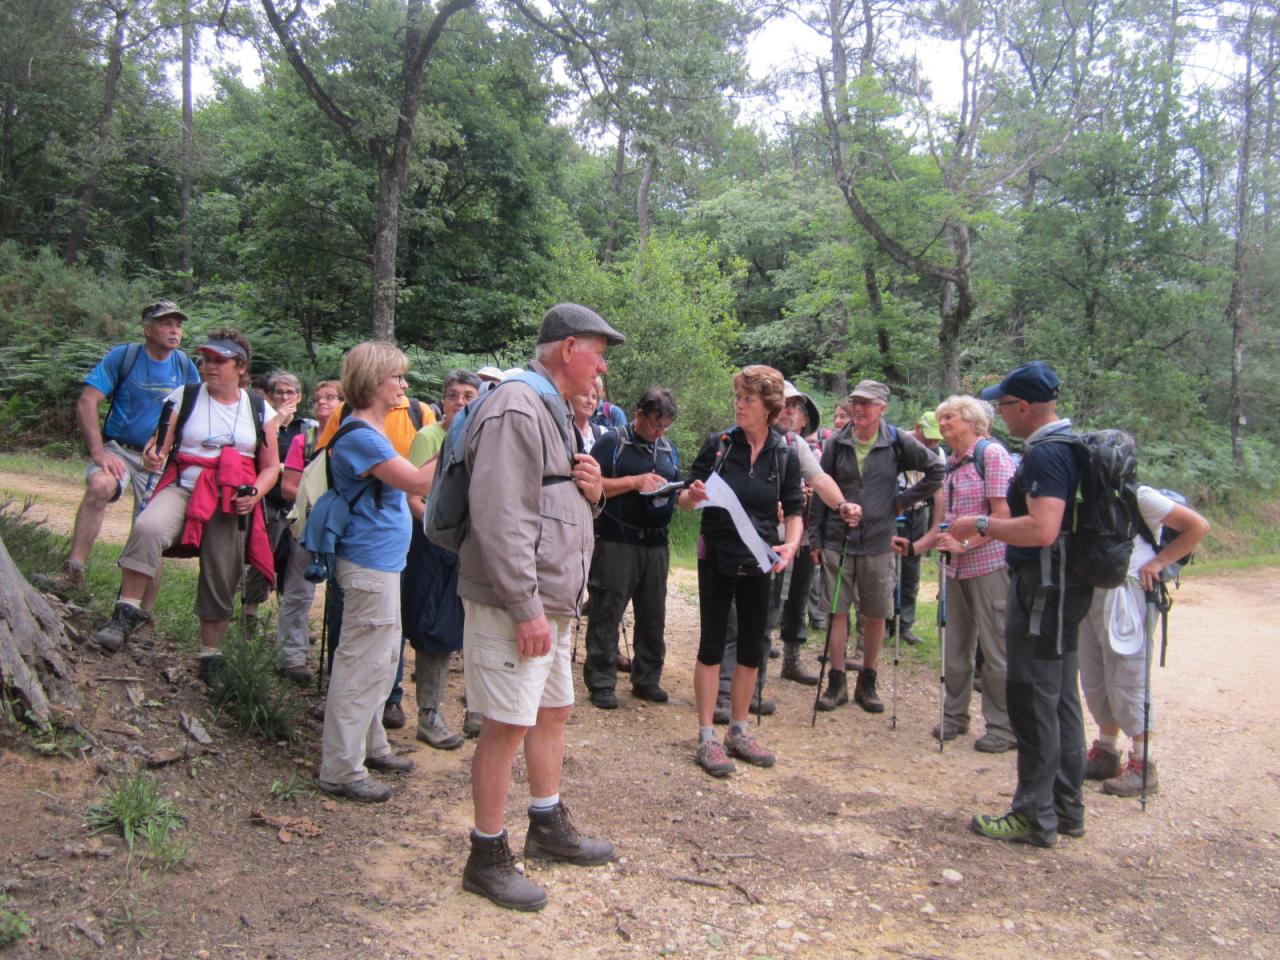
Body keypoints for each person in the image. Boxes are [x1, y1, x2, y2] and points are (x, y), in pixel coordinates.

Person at [458, 303, 621, 913]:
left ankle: (547, 823)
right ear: (568, 347)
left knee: (553, 710)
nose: (602, 365)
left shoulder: (554, 413)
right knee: (506, 725)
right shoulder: (517, 407)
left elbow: (552, 503)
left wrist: (593, 492)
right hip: (517, 601)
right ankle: (486, 853)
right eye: (598, 352)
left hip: (552, 596)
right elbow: (500, 515)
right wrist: (524, 606)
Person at [950, 360, 1093, 848]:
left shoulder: (1045, 455)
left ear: (1025, 407)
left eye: (1004, 405)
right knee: (1061, 700)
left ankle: (1034, 814)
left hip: (1042, 593)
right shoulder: (1068, 444)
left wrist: (982, 525)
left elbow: (1042, 528)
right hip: (1062, 592)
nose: (1001, 413)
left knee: (1033, 701)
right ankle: (1067, 808)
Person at [91, 329, 279, 689]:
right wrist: (152, 455)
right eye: (206, 359)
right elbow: (160, 443)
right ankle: (125, 613)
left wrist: (254, 493)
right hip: (184, 486)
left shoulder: (259, 409)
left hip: (230, 497)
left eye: (218, 360)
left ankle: (211, 656)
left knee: (222, 574)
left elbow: (270, 466)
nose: (209, 366)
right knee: (148, 527)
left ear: (240, 366)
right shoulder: (186, 396)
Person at [315, 342, 439, 802]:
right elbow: (417, 481)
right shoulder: (361, 436)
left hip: (382, 563)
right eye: (397, 378)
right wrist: (457, 438)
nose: (403, 386)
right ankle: (341, 769)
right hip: (368, 564)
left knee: (383, 659)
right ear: (373, 382)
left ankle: (372, 747)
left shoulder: (370, 429)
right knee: (361, 663)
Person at [679, 365, 813, 778]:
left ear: (769, 407)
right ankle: (706, 737)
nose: (739, 405)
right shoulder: (718, 445)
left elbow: (794, 511)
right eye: (737, 397)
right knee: (712, 646)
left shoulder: (784, 453)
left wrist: (790, 545)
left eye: (748, 399)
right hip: (716, 555)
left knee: (754, 648)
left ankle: (739, 731)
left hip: (760, 561)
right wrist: (692, 496)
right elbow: (684, 500)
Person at [37, 301, 201, 609]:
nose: (174, 330)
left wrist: (170, 452)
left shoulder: (184, 365)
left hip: (160, 459)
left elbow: (195, 413)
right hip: (120, 450)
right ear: (148, 328)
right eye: (166, 324)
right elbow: (88, 401)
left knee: (151, 530)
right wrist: (99, 452)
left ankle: (141, 612)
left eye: (178, 325)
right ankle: (74, 571)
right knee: (100, 486)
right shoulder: (125, 357)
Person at [812, 380, 943, 714]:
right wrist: (814, 537)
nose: (859, 408)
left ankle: (868, 681)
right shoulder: (837, 442)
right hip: (836, 538)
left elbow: (936, 470)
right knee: (836, 611)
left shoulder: (897, 440)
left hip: (878, 541)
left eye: (867, 404)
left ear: (882, 409)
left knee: (876, 613)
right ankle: (836, 680)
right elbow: (819, 486)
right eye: (856, 402)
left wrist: (901, 501)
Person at [895, 395, 1016, 752]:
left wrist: (966, 546)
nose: (943, 423)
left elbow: (1004, 517)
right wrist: (915, 548)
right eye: (942, 418)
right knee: (954, 647)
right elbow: (942, 525)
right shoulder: (949, 464)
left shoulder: (991, 455)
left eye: (950, 418)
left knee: (996, 650)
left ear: (972, 421)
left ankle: (1002, 726)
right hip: (955, 568)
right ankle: (954, 715)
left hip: (990, 564)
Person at [1079, 486, 1209, 798]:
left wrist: (1158, 562)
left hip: (1129, 592)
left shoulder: (1139, 495)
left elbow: (1197, 527)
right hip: (1093, 591)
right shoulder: (1085, 494)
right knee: (1095, 679)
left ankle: (1143, 763)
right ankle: (1107, 751)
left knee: (1128, 677)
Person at [583, 387, 681, 709]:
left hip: (656, 543)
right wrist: (636, 482)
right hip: (617, 540)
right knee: (607, 612)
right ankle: (601, 681)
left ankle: (647, 679)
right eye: (655, 424)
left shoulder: (667, 448)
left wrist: (686, 493)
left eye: (665, 426)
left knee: (654, 614)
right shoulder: (613, 441)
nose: (659, 431)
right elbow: (591, 486)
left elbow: (674, 490)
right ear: (639, 414)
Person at [404, 369, 481, 748]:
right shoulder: (428, 436)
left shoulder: (486, 437)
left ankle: (477, 710)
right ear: (443, 400)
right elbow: (414, 496)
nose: (461, 402)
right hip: (434, 544)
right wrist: (443, 528)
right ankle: (429, 714)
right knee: (433, 628)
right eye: (454, 395)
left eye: (469, 395)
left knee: (474, 625)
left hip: (472, 546)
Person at [276, 379, 343, 683]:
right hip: (310, 523)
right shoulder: (305, 441)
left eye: (331, 398)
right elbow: (288, 487)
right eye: (318, 399)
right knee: (299, 590)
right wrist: (315, 498)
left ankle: (339, 664)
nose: (322, 404)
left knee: (341, 595)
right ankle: (292, 655)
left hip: (344, 528)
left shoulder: (352, 437)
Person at [242, 372, 313, 629]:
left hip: (296, 506)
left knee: (293, 563)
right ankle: (249, 612)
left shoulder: (308, 429)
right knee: (264, 558)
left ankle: (290, 619)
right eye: (279, 393)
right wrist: (276, 421)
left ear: (299, 396)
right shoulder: (260, 425)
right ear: (270, 397)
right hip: (268, 504)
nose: (284, 397)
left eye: (290, 392)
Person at [895, 411, 945, 646]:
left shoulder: (938, 453)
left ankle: (905, 623)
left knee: (911, 568)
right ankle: (886, 619)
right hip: (895, 511)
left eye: (936, 439)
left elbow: (938, 491)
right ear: (917, 427)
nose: (931, 443)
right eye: (928, 437)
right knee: (888, 566)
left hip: (919, 512)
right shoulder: (897, 443)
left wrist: (936, 525)